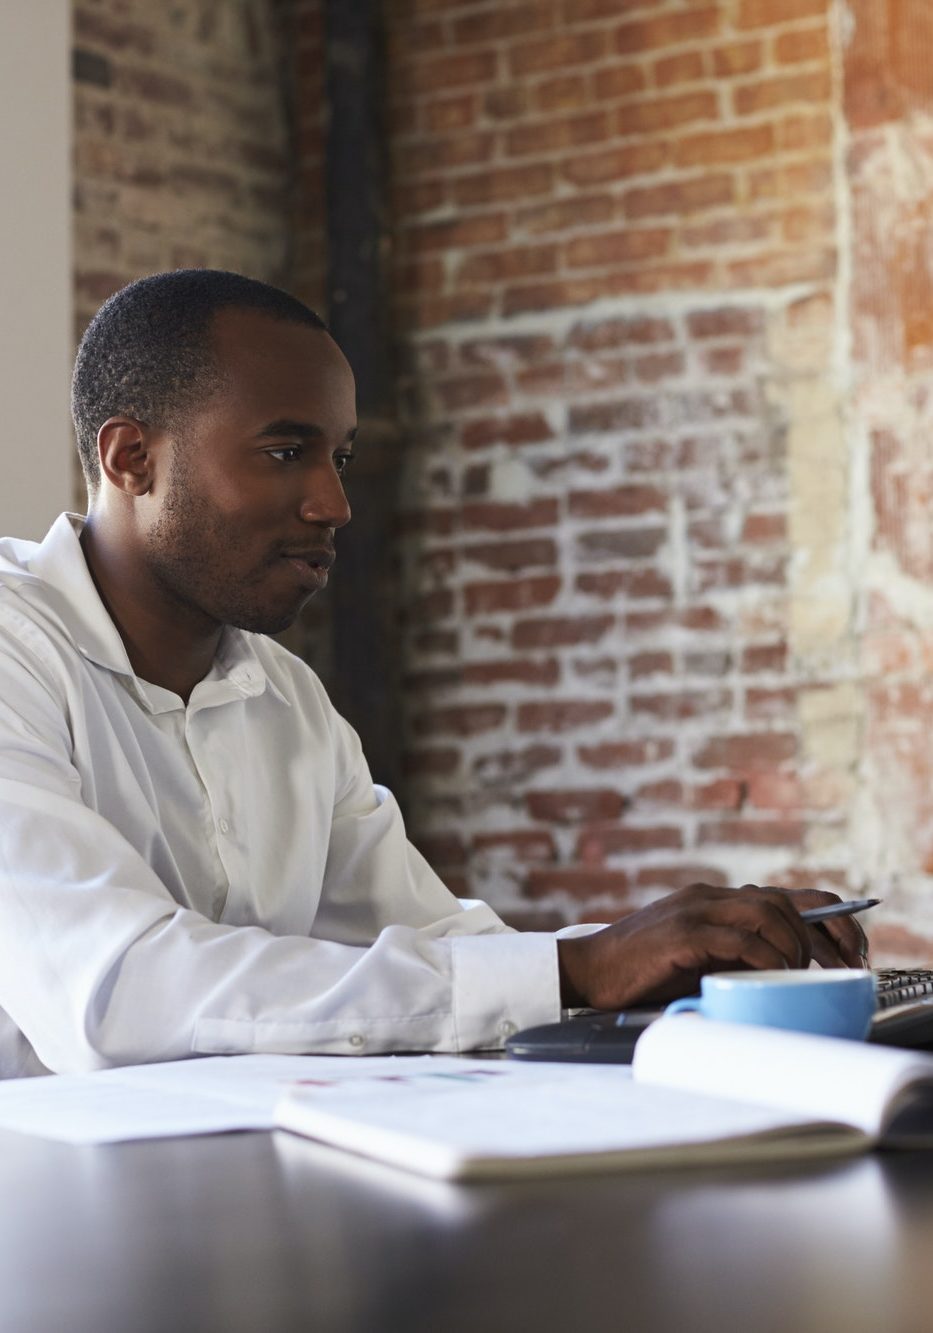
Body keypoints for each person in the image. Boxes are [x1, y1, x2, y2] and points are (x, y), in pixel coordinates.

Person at [0, 270, 866, 1076]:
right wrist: (580, 967)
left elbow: (434, 947)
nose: (332, 504)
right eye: (283, 450)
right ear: (130, 459)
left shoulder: (286, 699)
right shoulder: (18, 654)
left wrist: (676, 956)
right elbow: (114, 990)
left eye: (337, 457)